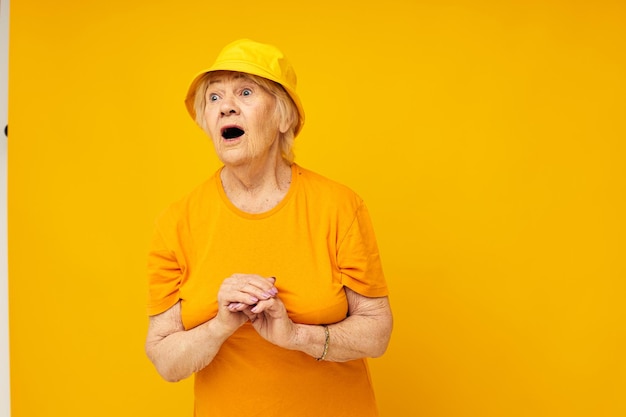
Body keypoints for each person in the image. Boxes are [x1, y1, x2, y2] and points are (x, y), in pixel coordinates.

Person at [145, 38, 393, 417]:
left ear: (283, 117)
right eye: (213, 98)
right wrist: (220, 324)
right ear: (206, 122)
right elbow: (165, 359)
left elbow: (377, 332)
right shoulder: (177, 222)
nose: (226, 106)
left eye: (245, 92)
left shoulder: (340, 206)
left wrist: (296, 336)